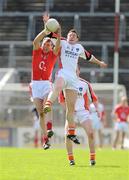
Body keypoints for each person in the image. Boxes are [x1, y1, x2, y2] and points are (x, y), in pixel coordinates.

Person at [44, 26, 107, 144]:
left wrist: (99, 63)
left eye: (74, 36)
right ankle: (48, 104)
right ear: (66, 37)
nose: (71, 36)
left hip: (73, 79)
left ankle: (71, 133)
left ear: (77, 39)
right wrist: (46, 23)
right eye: (69, 35)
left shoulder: (79, 48)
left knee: (71, 109)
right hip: (63, 73)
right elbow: (48, 33)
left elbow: (89, 57)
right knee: (57, 86)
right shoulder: (61, 41)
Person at [30, 14, 61, 150]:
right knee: (40, 113)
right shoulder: (37, 51)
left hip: (46, 84)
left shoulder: (53, 55)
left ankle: (49, 128)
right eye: (46, 43)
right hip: (35, 84)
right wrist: (46, 30)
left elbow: (58, 45)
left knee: (48, 105)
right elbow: (36, 41)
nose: (47, 45)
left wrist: (58, 34)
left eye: (49, 43)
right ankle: (46, 140)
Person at [59, 66, 98, 166]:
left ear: (79, 71)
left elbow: (93, 98)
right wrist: (69, 111)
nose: (74, 72)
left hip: (83, 112)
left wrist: (96, 110)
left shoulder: (85, 84)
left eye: (76, 70)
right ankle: (71, 159)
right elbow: (62, 100)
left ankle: (92, 159)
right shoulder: (65, 84)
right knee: (68, 135)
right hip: (71, 113)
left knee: (91, 133)